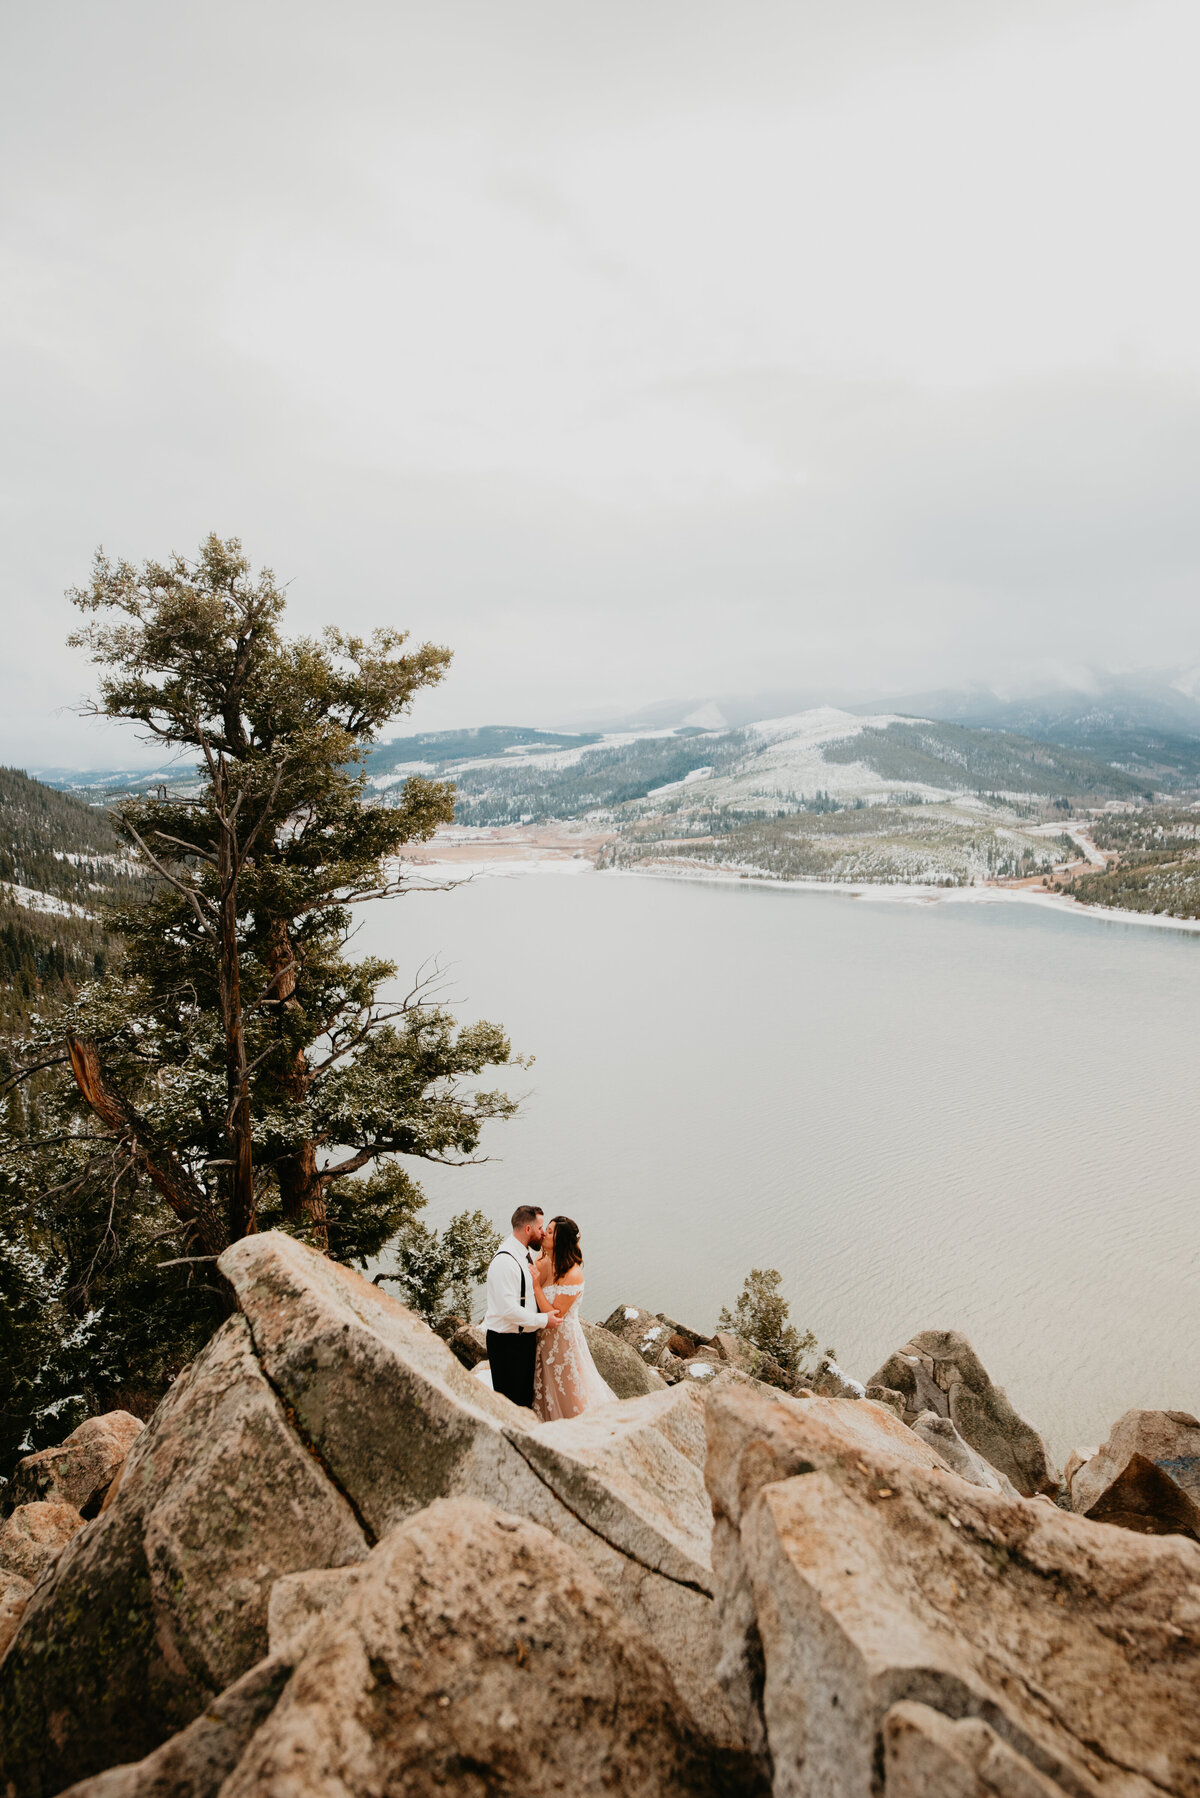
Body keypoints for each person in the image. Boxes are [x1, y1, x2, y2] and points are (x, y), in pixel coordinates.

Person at [530, 1216, 616, 1421]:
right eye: (546, 1229)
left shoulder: (573, 1273)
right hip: (540, 1337)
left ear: (560, 1241)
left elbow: (555, 1315)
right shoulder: (542, 1262)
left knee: (568, 1390)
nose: (544, 1234)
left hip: (562, 1341)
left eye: (550, 1232)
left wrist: (535, 1287)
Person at [483, 1205, 561, 1408]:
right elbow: (508, 1310)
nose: (543, 1232)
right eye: (540, 1227)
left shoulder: (523, 1254)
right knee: (511, 1405)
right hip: (506, 1344)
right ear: (528, 1229)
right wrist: (544, 1320)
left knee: (525, 1401)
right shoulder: (505, 1262)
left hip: (522, 1341)